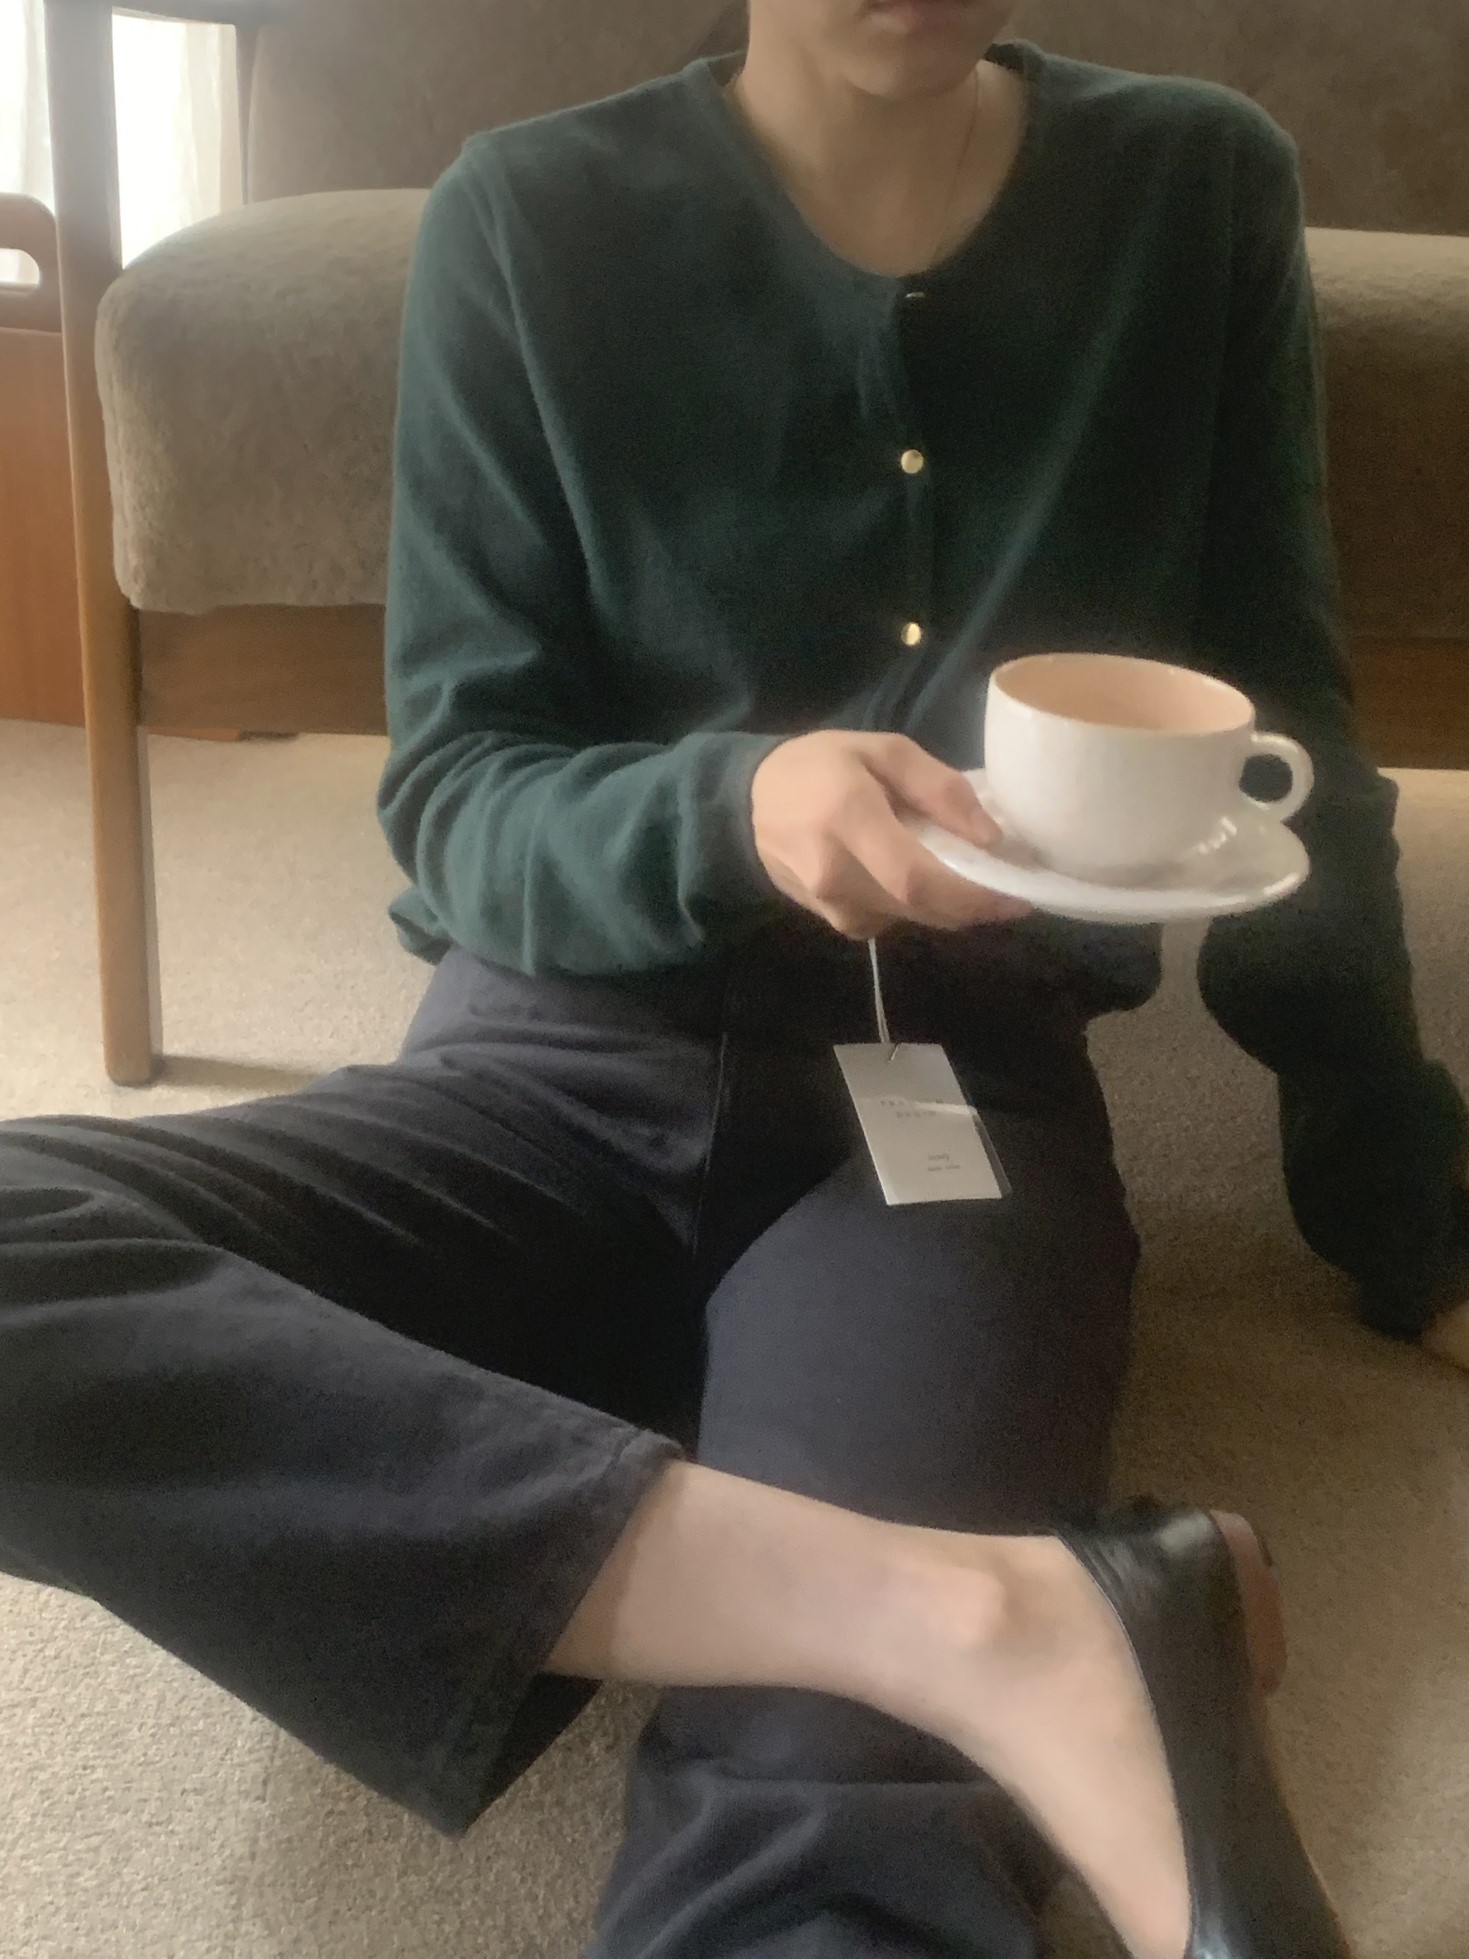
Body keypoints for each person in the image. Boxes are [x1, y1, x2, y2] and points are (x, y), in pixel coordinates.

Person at [2, 0, 1466, 1952]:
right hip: (545, 1063)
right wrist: (732, 804)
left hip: (955, 1102)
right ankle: (987, 1617)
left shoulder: (1194, 191)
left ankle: (919, 1632)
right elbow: (457, 792)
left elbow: (1282, 740)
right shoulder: (529, 214)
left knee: (831, 1824)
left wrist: (1410, 1206)